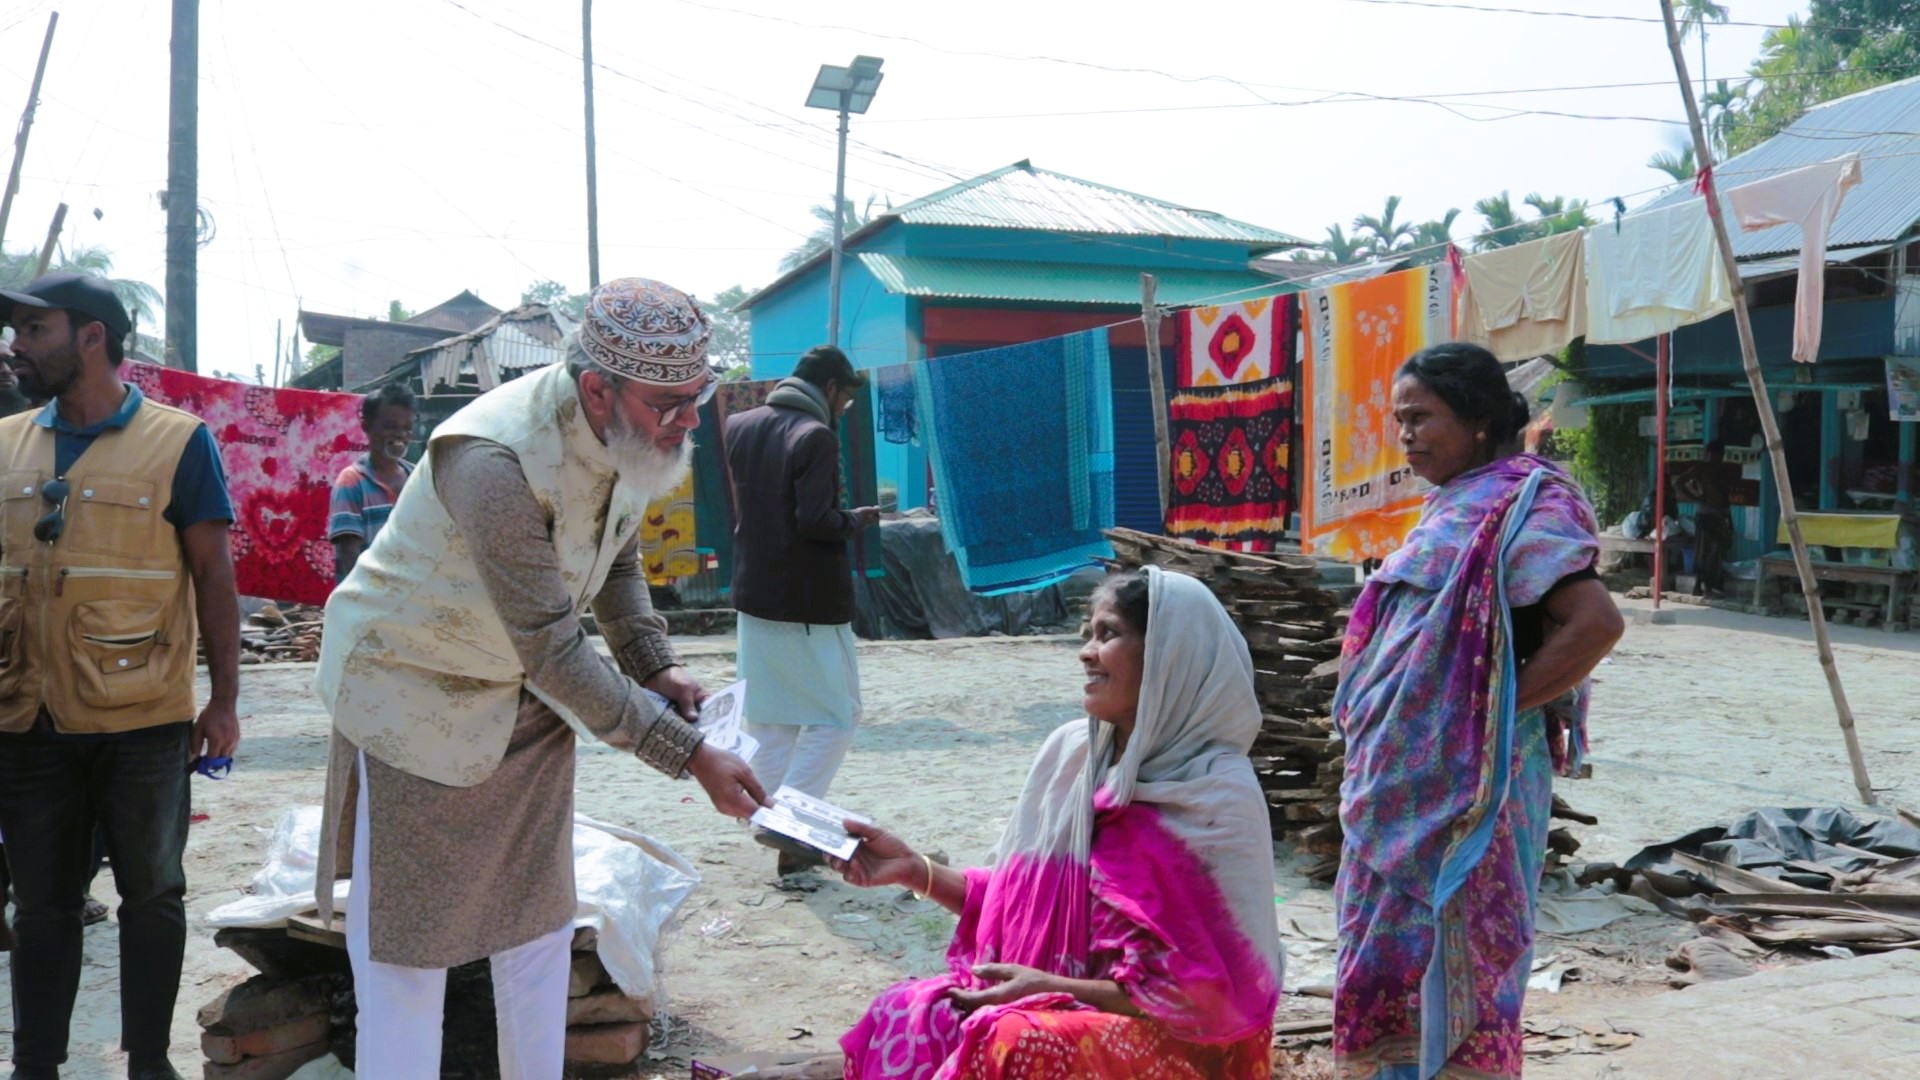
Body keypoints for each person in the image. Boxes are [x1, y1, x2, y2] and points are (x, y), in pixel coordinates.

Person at [313, 277, 767, 1079]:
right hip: (411, 694)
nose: (691, 420)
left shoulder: (629, 433)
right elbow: (554, 649)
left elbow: (614, 551)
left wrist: (653, 662)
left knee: (539, 936)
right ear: (597, 389)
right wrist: (689, 755)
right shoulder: (492, 459)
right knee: (408, 959)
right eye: (671, 403)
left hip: (522, 699)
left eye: (698, 396)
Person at [788, 568, 1281, 1079]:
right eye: (1087, 634)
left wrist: (1053, 989)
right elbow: (1020, 902)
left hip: (1184, 1040)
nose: (1086, 652)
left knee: (1016, 1040)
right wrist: (914, 869)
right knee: (909, 1009)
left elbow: (1209, 997)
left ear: (1166, 657)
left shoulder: (1214, 794)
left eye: (1108, 634)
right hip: (1065, 1008)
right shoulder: (1074, 758)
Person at [1333, 342, 1624, 1080]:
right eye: (1400, 420)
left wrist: (1483, 716)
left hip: (1475, 789)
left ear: (1480, 419)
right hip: (1396, 784)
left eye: (1421, 417)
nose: (1407, 436)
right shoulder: (1453, 504)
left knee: (1466, 957)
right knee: (1385, 963)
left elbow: (1595, 623)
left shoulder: (1524, 504)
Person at [0, 273, 242, 1080]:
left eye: (34, 330)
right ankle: (35, 1067)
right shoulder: (5, 442)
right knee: (41, 906)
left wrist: (225, 703)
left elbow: (213, 577)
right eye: (16, 331)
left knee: (152, 895)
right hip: (26, 716)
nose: (16, 346)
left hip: (144, 718)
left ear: (92, 336)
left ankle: (148, 1063)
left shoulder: (179, 442)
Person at [724, 344, 879, 874]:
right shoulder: (815, 436)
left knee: (772, 721)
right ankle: (785, 823)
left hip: (754, 595)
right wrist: (857, 519)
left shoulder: (740, 426)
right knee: (839, 715)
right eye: (846, 399)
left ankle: (776, 829)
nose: (844, 409)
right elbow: (816, 521)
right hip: (807, 602)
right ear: (831, 388)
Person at [328, 382, 417, 583]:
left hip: (408, 593)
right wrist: (367, 597)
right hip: (367, 595)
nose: (400, 434)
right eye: (390, 426)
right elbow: (349, 555)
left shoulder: (417, 477)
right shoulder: (352, 482)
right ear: (367, 427)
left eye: (407, 428)